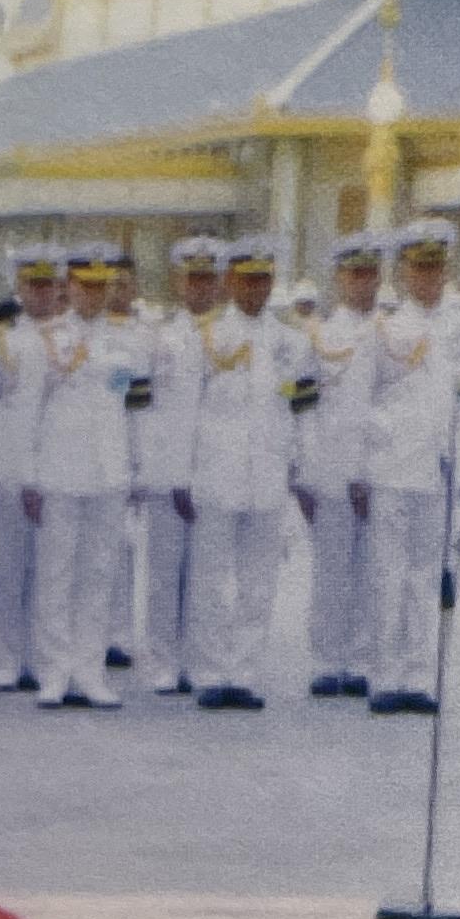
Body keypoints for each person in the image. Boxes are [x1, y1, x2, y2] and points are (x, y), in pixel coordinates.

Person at [182, 239, 317, 709]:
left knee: (259, 582)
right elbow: (186, 412)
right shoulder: (206, 336)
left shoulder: (294, 342)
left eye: (263, 278)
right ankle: (211, 672)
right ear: (229, 281)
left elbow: (304, 412)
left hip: (268, 473)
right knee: (212, 579)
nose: (255, 287)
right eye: (246, 278)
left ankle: (244, 673)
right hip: (215, 473)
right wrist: (183, 475)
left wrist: (305, 475)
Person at [359, 220, 460, 714]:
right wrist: (365, 462)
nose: (427, 276)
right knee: (387, 574)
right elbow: (362, 402)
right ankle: (384, 675)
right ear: (403, 271)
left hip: (445, 467)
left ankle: (419, 675)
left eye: (435, 266)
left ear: (446, 268)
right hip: (392, 466)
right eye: (418, 267)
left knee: (428, 574)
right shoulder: (385, 329)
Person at [27, 247, 144, 708]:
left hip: (110, 468)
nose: (92, 295)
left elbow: (135, 408)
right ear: (68, 287)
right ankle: (55, 672)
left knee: (100, 572)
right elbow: (32, 412)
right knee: (57, 571)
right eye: (84, 285)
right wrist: (32, 474)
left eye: (100, 286)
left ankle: (90, 670)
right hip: (60, 467)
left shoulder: (128, 340)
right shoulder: (48, 337)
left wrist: (136, 467)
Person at [132, 234, 224, 692]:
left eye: (207, 278)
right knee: (164, 573)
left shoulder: (230, 334)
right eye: (191, 278)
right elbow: (141, 405)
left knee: (207, 574)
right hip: (166, 467)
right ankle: (164, 662)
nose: (199, 287)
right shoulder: (157, 335)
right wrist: (149, 469)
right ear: (177, 280)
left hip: (214, 470)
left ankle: (201, 661)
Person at [302, 236, 385, 697]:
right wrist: (306, 472)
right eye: (354, 274)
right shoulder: (316, 334)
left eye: (370, 273)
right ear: (338, 279)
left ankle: (361, 659)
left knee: (373, 568)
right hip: (331, 466)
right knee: (331, 569)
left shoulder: (390, 331)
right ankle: (328, 660)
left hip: (378, 465)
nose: (362, 283)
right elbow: (302, 402)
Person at [0, 254, 60, 690]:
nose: (41, 293)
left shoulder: (69, 337)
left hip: (59, 469)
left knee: (51, 571)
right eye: (33, 285)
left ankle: (42, 659)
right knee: (10, 568)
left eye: (48, 285)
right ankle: (7, 659)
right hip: (10, 466)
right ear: (19, 289)